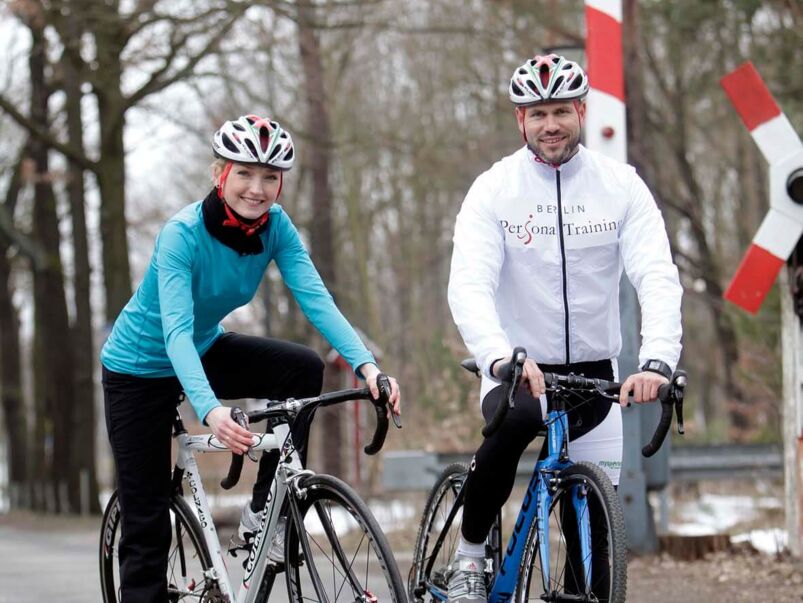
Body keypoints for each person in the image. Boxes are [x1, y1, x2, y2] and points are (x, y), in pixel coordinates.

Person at [100, 114, 401, 603]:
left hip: (202, 348)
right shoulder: (182, 234)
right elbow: (174, 329)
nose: (257, 189)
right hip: (138, 368)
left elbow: (316, 299)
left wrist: (368, 366)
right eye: (244, 173)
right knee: (147, 523)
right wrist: (212, 409)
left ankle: (265, 511)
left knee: (302, 368)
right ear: (220, 173)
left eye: (269, 177)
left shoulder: (276, 228)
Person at [446, 54, 682, 602]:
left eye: (559, 112)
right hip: (518, 369)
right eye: (536, 114)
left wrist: (657, 360)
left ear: (580, 111)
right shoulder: (493, 189)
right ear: (519, 121)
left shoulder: (621, 186)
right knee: (513, 424)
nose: (549, 124)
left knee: (594, 557)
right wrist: (499, 355)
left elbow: (657, 276)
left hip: (595, 376)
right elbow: (469, 286)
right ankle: (470, 555)